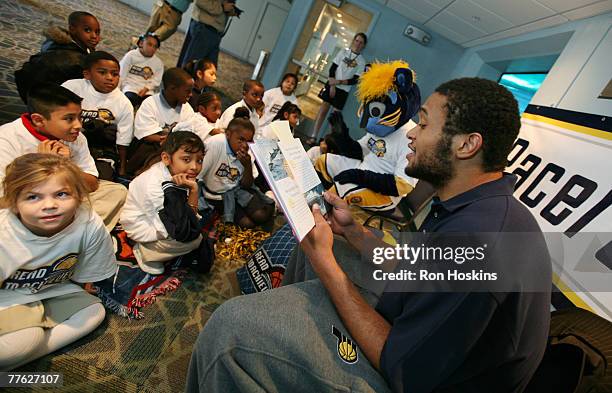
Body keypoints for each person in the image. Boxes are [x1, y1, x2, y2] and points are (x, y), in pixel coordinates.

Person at [185, 78, 552, 392]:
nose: (410, 133)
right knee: (331, 248)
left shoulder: (479, 243)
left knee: (230, 330)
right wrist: (355, 233)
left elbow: (402, 367)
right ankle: (280, 353)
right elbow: (420, 268)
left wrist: (326, 263)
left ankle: (258, 347)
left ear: (466, 145)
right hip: (417, 337)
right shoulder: (474, 207)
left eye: (423, 125)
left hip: (408, 376)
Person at [0, 153, 116, 370]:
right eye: (33, 197)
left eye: (62, 194)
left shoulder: (89, 224)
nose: (50, 205)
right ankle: (24, 351)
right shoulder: (4, 234)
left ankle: (23, 356)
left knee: (93, 313)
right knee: (27, 338)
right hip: (6, 296)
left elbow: (86, 273)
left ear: (80, 196)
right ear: (14, 202)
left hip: (51, 288)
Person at [0, 83, 127, 232]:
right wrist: (43, 168)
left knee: (117, 192)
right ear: (38, 120)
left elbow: (92, 184)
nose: (78, 125)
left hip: (63, 197)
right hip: (28, 205)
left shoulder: (76, 137)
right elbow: (4, 201)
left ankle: (66, 235)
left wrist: (65, 165)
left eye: (79, 117)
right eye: (69, 118)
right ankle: (74, 235)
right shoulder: (6, 139)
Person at [120, 131, 210, 275]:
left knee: (196, 234)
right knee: (194, 240)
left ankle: (159, 250)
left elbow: (187, 217)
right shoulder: (153, 186)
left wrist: (193, 191)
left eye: (199, 160)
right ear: (166, 158)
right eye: (186, 159)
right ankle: (146, 252)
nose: (194, 166)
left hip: (167, 220)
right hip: (145, 226)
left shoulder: (179, 175)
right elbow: (179, 229)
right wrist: (191, 220)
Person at [62, 51, 134, 179]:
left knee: (98, 179)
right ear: (87, 74)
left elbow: (123, 142)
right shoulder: (71, 87)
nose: (109, 78)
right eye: (102, 72)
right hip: (66, 141)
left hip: (100, 150)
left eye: (115, 74)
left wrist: (122, 169)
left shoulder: (124, 104)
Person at [199, 108, 274, 228]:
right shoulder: (216, 144)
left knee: (263, 213)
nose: (244, 145)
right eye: (241, 140)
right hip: (215, 195)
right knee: (247, 224)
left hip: (236, 190)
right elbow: (198, 176)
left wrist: (247, 165)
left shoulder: (247, 152)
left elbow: (247, 185)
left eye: (248, 141)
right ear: (228, 134)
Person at [14, 11, 101, 104]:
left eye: (97, 32)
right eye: (87, 30)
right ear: (72, 29)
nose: (94, 36)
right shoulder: (76, 62)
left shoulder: (56, 43)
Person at [128, 67, 195, 175]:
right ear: (172, 88)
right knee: (151, 150)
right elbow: (146, 135)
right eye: (187, 91)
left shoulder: (187, 109)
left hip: (173, 147)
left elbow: (187, 135)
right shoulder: (150, 103)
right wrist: (166, 140)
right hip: (150, 145)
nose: (191, 95)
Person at [310, 32, 367, 144]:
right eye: (357, 41)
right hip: (331, 85)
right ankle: (313, 136)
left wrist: (338, 82)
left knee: (335, 119)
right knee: (322, 112)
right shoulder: (343, 52)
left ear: (363, 45)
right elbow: (332, 68)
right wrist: (332, 85)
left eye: (361, 42)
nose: (358, 44)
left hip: (343, 91)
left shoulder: (361, 61)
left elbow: (354, 80)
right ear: (353, 41)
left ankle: (328, 143)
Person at [176, 0, 237, 67]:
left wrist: (230, 10)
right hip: (204, 28)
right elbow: (201, 2)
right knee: (191, 67)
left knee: (207, 70)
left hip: (214, 32)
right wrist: (222, 7)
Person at [120, 32, 164, 109]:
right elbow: (122, 73)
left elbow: (156, 80)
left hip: (146, 89)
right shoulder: (131, 56)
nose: (152, 48)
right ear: (141, 43)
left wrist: (146, 88)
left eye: (155, 47)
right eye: (149, 44)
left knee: (151, 105)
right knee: (129, 100)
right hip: (130, 86)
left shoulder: (158, 62)